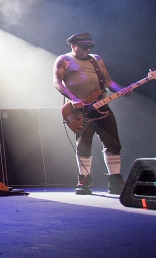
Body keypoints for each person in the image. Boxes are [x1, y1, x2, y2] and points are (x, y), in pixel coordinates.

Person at [53, 32, 130, 195]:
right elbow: (57, 82)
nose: (87, 49)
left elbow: (108, 82)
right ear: (73, 45)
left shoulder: (97, 60)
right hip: (81, 111)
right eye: (83, 46)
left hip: (102, 107)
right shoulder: (64, 60)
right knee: (84, 146)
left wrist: (121, 90)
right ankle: (84, 182)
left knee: (113, 144)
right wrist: (73, 99)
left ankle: (115, 181)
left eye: (90, 46)